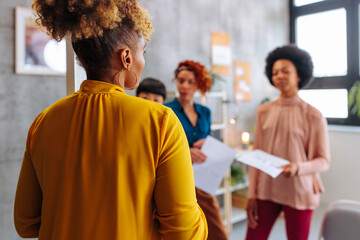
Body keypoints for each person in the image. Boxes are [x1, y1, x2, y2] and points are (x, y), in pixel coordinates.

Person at [14, 1, 207, 239]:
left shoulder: (43, 122)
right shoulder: (161, 121)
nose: (142, 62)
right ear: (126, 57)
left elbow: (26, 224)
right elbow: (185, 232)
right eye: (142, 53)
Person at [246, 44, 331, 240]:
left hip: (299, 191)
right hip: (266, 189)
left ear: (299, 74)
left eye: (286, 71)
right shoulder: (263, 111)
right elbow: (256, 153)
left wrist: (297, 167)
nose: (279, 76)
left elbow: (324, 160)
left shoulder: (313, 115)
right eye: (275, 72)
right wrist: (252, 194)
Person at [165, 60, 228, 240]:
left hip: (202, 175)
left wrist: (206, 143)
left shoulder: (205, 112)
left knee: (214, 225)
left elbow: (207, 139)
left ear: (198, 84)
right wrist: (187, 151)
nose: (184, 86)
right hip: (177, 174)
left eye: (190, 82)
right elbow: (164, 146)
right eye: (181, 81)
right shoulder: (167, 111)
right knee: (187, 228)